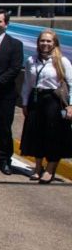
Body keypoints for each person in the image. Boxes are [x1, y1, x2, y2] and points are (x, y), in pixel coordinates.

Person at [20, 29, 72, 183]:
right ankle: (37, 167)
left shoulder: (62, 61)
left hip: (53, 101)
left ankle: (50, 168)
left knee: (53, 135)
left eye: (49, 41)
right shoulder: (31, 60)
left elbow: (71, 84)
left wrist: (71, 105)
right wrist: (24, 102)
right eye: (42, 40)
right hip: (36, 99)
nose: (45, 44)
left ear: (54, 43)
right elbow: (27, 84)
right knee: (36, 134)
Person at [0, 9, 24, 175]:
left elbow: (14, 69)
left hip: (4, 95)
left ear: (6, 24)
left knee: (3, 129)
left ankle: (4, 160)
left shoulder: (15, 44)